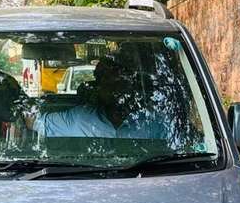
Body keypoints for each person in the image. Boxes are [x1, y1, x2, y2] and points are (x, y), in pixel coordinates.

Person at [34, 53, 168, 139]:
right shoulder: (80, 118)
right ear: (97, 87)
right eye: (104, 80)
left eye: (117, 79)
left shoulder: (154, 122)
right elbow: (36, 123)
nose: (111, 86)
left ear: (130, 84)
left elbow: (37, 123)